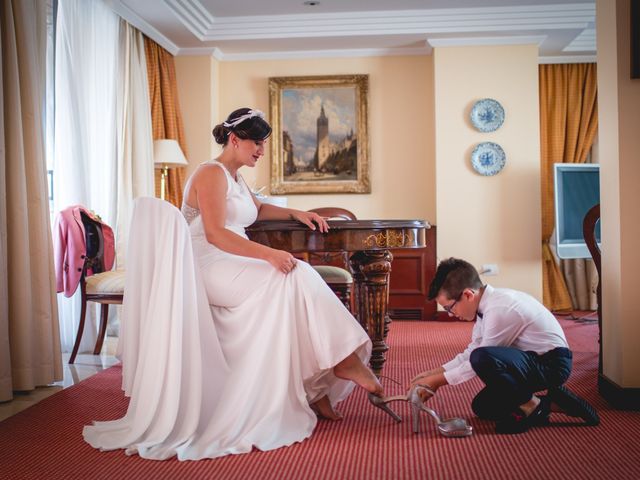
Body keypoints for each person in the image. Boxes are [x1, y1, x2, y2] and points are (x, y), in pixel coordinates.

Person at [180, 108, 383, 450]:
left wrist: (297, 212)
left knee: (295, 281)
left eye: (263, 143)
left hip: (232, 258)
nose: (261, 150)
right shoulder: (211, 173)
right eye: (256, 143)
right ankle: (332, 371)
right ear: (234, 139)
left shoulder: (235, 176)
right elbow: (214, 234)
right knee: (291, 275)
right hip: (208, 263)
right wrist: (269, 254)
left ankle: (321, 381)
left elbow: (256, 210)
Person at [410, 257, 599, 434]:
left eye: (449, 308)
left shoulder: (500, 309)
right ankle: (551, 403)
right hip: (530, 361)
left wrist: (436, 382)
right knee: (483, 407)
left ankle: (532, 406)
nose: (451, 314)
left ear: (468, 295)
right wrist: (433, 373)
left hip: (551, 365)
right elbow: (471, 351)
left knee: (482, 358)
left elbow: (478, 360)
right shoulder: (486, 307)